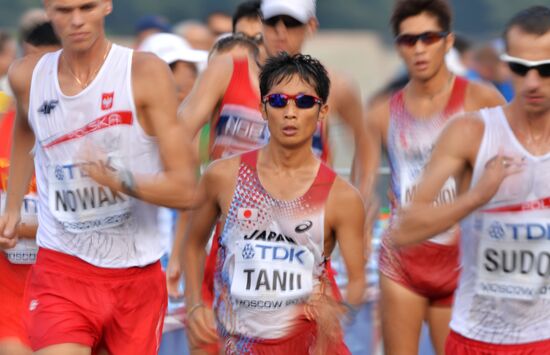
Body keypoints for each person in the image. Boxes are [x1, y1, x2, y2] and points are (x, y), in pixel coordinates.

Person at [0, 0, 198, 354]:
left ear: (106, 5)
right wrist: (13, 208)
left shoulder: (144, 73)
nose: (76, 20)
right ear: (47, 9)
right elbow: (26, 129)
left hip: (136, 274)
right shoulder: (25, 76)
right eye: (63, 10)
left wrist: (119, 180)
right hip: (62, 268)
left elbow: (186, 189)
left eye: (86, 7)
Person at [168, 0, 368, 303]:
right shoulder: (227, 70)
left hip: (301, 249)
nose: (280, 32)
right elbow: (178, 135)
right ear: (261, 23)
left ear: (311, 26)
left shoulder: (332, 86)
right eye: (273, 22)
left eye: (292, 23)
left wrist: (360, 204)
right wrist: (190, 194)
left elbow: (365, 143)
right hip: (233, 245)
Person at [391, 5, 550, 353]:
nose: (534, 82)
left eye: (545, 70)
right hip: (477, 338)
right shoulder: (471, 132)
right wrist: (478, 196)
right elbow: (404, 229)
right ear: (507, 65)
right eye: (522, 69)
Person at [182, 52, 365, 354]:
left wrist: (339, 310)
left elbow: (357, 281)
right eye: (279, 101)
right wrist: (194, 305)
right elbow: (192, 246)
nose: (290, 112)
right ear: (263, 109)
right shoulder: (222, 177)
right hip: (241, 343)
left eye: (304, 102)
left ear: (323, 112)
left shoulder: (342, 197)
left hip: (307, 342)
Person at [357, 0, 505, 354]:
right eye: (409, 40)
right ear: (398, 47)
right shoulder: (380, 111)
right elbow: (362, 191)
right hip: (402, 258)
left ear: (448, 41)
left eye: (429, 37)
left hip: (460, 259)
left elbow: (516, 171)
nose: (420, 49)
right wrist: (355, 258)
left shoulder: (481, 100)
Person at [0, 19, 60, 355]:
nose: (33, 75)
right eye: (28, 62)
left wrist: (26, 226)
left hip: (70, 288)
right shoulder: (3, 123)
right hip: (10, 289)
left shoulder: (89, 129)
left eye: (45, 64)